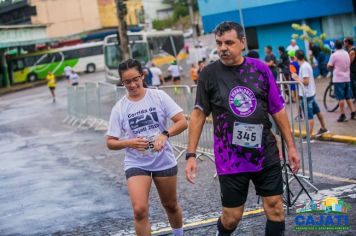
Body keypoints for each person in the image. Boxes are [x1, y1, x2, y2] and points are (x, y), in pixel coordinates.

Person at [185, 21, 300, 236]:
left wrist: (291, 147)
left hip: (265, 151)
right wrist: (190, 154)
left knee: (275, 208)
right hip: (230, 157)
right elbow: (199, 114)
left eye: (229, 42)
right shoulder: (209, 74)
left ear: (242, 43)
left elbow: (278, 110)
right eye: (219, 43)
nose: (222, 48)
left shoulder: (261, 69)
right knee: (232, 217)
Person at [106, 59, 188, 236]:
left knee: (170, 205)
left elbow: (182, 122)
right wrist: (129, 142)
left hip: (163, 159)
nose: (133, 84)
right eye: (127, 82)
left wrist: (165, 134)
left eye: (136, 79)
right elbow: (110, 142)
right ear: (122, 83)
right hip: (136, 162)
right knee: (139, 210)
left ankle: (178, 234)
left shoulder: (158, 96)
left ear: (143, 75)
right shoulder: (120, 107)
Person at [291, 50, 329, 139]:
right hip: (310, 93)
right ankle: (324, 128)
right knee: (317, 111)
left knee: (309, 116)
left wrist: (296, 78)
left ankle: (309, 135)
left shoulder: (304, 67)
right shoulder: (306, 65)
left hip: (307, 95)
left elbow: (306, 82)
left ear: (296, 57)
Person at [327, 40, 356, 122]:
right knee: (348, 97)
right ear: (342, 45)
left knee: (341, 98)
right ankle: (353, 113)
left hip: (338, 79)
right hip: (347, 78)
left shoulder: (334, 55)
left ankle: (342, 115)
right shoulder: (347, 53)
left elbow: (329, 66)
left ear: (335, 46)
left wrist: (331, 66)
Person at [344, 37, 356, 102]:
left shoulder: (352, 51)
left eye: (345, 42)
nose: (344, 43)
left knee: (353, 85)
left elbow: (349, 62)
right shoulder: (349, 50)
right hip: (352, 70)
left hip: (354, 71)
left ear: (348, 43)